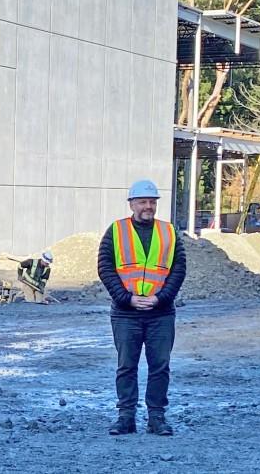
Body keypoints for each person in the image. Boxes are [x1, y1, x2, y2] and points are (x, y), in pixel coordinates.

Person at [97, 179, 187, 436]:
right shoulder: (116, 231)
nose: (148, 206)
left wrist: (162, 298)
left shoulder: (168, 232)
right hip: (126, 312)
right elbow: (105, 267)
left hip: (161, 312)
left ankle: (156, 417)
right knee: (127, 366)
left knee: (160, 366)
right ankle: (126, 417)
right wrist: (127, 298)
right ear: (132, 204)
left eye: (152, 202)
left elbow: (178, 268)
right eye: (143, 202)